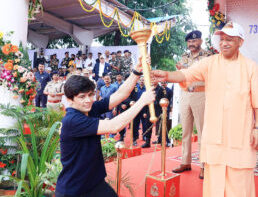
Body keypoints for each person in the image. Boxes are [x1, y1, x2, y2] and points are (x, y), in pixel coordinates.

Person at [153, 22, 258, 197]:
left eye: (229, 39)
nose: (224, 43)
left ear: (240, 42)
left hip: (240, 134)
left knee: (239, 181)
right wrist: (168, 75)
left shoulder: (250, 67)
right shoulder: (209, 63)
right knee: (214, 182)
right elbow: (187, 74)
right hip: (215, 135)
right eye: (222, 39)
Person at [55, 64, 155, 197]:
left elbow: (121, 94)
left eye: (90, 95)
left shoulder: (90, 109)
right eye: (82, 97)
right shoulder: (72, 120)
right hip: (74, 190)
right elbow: (114, 126)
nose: (88, 100)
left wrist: (136, 71)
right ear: (70, 100)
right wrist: (141, 102)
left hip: (95, 184)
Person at [171, 30, 212, 179]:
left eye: (194, 41)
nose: (191, 44)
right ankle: (185, 162)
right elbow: (182, 75)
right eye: (189, 42)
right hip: (185, 94)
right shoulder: (184, 57)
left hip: (201, 94)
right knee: (186, 131)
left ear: (200, 41)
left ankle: (203, 166)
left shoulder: (208, 56)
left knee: (202, 132)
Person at [153, 81, 173, 146]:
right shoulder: (159, 89)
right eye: (161, 83)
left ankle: (166, 141)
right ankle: (159, 139)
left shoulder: (169, 90)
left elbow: (170, 100)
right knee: (159, 126)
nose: (163, 84)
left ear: (166, 84)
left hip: (165, 110)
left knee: (165, 126)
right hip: (159, 110)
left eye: (164, 83)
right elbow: (157, 99)